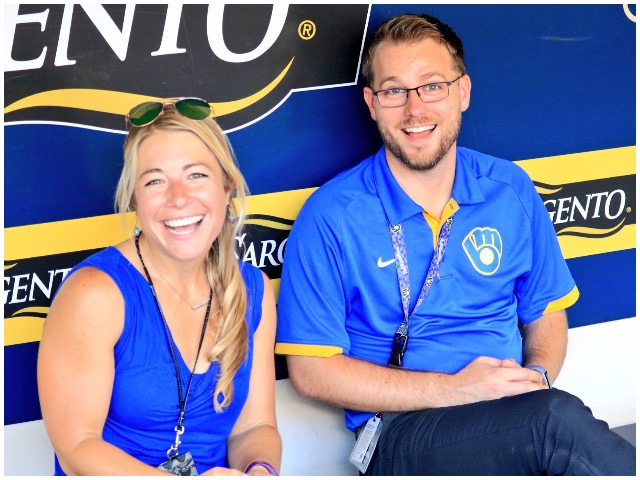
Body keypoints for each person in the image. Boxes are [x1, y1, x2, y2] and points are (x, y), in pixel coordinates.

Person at [275, 13, 635, 476]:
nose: (414, 110)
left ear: (462, 92)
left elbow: (545, 313)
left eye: (431, 86)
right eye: (393, 91)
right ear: (371, 103)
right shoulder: (331, 215)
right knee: (555, 425)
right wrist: (458, 390)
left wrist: (535, 380)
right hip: (403, 433)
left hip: (514, 418)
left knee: (548, 421)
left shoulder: (509, 187)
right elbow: (311, 372)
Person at [38, 98, 281, 476]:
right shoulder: (94, 294)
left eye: (196, 175)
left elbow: (254, 427)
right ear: (134, 198)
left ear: (227, 185)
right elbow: (76, 448)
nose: (179, 198)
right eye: (155, 181)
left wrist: (258, 471)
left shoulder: (253, 290)